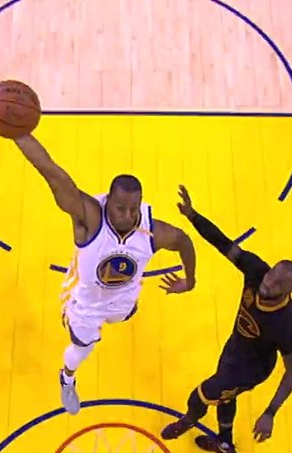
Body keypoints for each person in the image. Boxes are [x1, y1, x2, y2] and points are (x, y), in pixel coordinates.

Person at [10, 132, 199, 415]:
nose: (126, 214)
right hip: (85, 299)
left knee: (124, 313)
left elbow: (184, 241)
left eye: (133, 208)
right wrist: (19, 134)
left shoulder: (155, 232)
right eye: (120, 207)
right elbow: (51, 172)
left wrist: (190, 281)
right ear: (108, 200)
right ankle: (67, 378)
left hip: (124, 297)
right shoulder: (89, 216)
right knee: (82, 347)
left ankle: (120, 312)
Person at [160, 186, 292, 453]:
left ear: (289, 290)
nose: (268, 283)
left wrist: (270, 412)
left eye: (277, 284)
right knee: (225, 396)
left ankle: (187, 421)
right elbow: (223, 243)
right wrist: (193, 215)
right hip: (236, 348)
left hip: (252, 368)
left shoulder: (286, 324)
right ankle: (224, 443)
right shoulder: (256, 270)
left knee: (201, 395)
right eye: (271, 276)